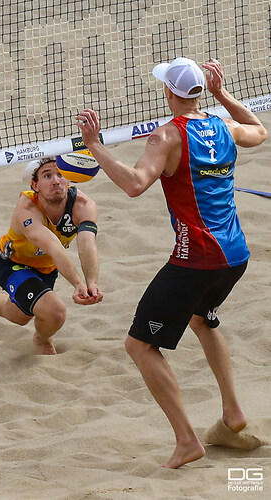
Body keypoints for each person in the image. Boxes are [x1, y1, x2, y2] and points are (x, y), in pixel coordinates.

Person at [76, 58, 268, 468]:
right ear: (201, 92)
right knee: (202, 318)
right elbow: (260, 131)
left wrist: (94, 145)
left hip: (196, 257)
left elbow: (133, 184)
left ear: (168, 92)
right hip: (235, 255)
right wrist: (222, 95)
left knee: (139, 344)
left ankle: (186, 441)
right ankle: (233, 414)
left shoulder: (166, 136)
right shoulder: (224, 126)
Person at [0, 157, 103, 354]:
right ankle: (42, 339)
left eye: (61, 175)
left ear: (68, 180)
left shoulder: (84, 205)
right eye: (47, 175)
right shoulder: (27, 207)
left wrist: (92, 281)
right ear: (35, 185)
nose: (56, 180)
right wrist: (78, 283)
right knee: (55, 311)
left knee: (19, 315)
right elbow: (53, 246)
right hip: (11, 263)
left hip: (46, 269)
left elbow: (86, 242)